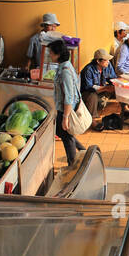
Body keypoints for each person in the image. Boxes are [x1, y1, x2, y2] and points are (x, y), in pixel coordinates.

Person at [46, 38, 85, 166]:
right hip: (65, 108)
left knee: (66, 136)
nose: (49, 55)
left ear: (58, 54)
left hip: (67, 109)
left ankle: (72, 165)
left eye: (51, 53)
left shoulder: (65, 71)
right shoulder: (64, 66)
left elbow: (68, 97)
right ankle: (83, 151)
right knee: (62, 132)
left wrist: (65, 117)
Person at [80, 48, 117, 120]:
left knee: (120, 89)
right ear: (98, 61)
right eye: (105, 60)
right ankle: (92, 118)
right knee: (92, 96)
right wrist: (105, 88)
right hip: (89, 92)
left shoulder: (108, 66)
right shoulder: (88, 70)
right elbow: (89, 87)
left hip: (102, 89)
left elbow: (113, 78)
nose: (108, 62)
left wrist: (117, 84)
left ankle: (125, 108)